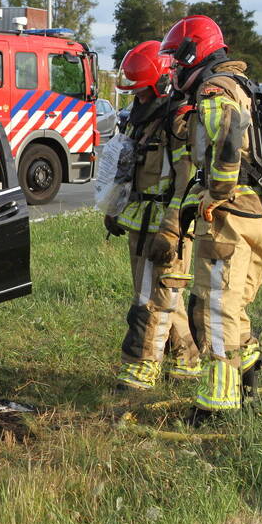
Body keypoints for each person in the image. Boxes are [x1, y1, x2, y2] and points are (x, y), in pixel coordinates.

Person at [159, 15, 262, 421]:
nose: (175, 68)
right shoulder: (243, 87)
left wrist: (215, 193)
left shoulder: (214, 89)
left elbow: (229, 141)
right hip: (257, 213)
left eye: (177, 60)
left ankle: (217, 404)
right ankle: (248, 375)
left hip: (227, 216)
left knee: (213, 310)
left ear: (194, 53)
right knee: (235, 305)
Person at [107, 40, 200, 391]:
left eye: (143, 93)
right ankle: (188, 361)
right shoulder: (140, 120)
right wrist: (114, 210)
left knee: (154, 298)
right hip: (140, 223)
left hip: (166, 226)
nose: (138, 100)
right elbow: (127, 168)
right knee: (162, 296)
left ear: (161, 85)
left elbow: (186, 180)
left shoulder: (177, 124)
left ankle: (140, 369)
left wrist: (173, 229)